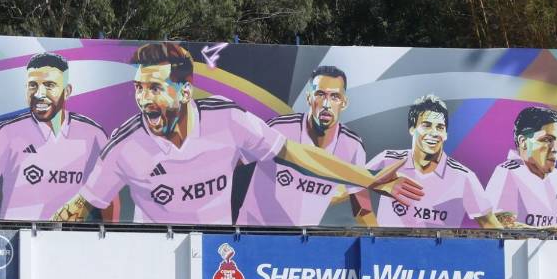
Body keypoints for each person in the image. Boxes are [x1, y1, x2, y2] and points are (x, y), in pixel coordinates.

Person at [53, 43, 420, 224]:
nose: (143, 99)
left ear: (185, 91)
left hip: (219, 252)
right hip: (156, 259)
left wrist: (367, 178)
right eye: (139, 88)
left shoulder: (228, 120)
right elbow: (81, 206)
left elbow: (299, 155)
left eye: (154, 88)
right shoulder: (124, 144)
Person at [0, 53, 117, 221]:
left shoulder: (93, 134)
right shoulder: (6, 132)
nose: (39, 94)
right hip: (18, 235)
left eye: (49, 85)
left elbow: (108, 193)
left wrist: (110, 233)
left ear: (67, 91)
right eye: (33, 85)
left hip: (71, 236)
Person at [237, 66, 372, 226]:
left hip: (302, 237)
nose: (326, 104)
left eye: (335, 96)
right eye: (320, 94)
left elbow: (363, 209)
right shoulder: (278, 129)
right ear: (309, 98)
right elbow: (230, 161)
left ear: (344, 102)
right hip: (253, 231)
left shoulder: (353, 146)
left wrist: (381, 238)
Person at [364, 95, 502, 229]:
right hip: (386, 244)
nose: (434, 133)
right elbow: (353, 184)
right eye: (427, 125)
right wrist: (369, 222)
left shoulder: (464, 177)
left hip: (438, 245)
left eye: (440, 127)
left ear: (446, 134)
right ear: (412, 129)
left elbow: (490, 225)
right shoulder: (388, 159)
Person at [485, 105, 557, 228]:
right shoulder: (506, 173)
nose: (556, 149)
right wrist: (555, 231)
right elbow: (504, 229)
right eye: (547, 140)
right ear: (523, 142)